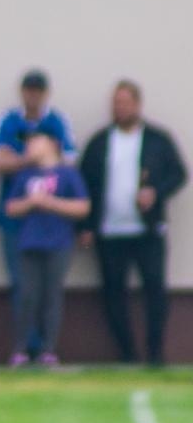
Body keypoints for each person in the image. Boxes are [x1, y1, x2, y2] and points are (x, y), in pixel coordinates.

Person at [80, 80, 187, 366]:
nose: (120, 108)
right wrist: (86, 226)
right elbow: (86, 183)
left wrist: (156, 192)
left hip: (147, 230)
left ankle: (155, 353)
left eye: (125, 102)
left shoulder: (157, 139)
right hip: (110, 231)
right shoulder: (100, 142)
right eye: (116, 103)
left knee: (154, 289)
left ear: (138, 105)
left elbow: (179, 173)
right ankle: (126, 353)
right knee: (114, 292)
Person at [0, 70, 77, 313]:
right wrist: (30, 159)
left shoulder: (57, 122)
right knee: (21, 281)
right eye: (29, 90)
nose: (33, 96)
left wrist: (16, 158)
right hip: (16, 214)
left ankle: (47, 345)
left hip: (51, 215)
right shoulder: (8, 121)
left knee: (49, 283)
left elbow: (69, 162)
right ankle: (25, 345)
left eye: (38, 91)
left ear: (45, 94)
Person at [2, 132, 88, 366]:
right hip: (29, 242)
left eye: (36, 141)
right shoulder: (25, 175)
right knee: (27, 295)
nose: (30, 146)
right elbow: (10, 207)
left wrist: (50, 203)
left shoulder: (67, 174)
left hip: (59, 243)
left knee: (52, 296)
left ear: (52, 145)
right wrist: (30, 203)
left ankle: (47, 349)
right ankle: (20, 349)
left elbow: (82, 206)